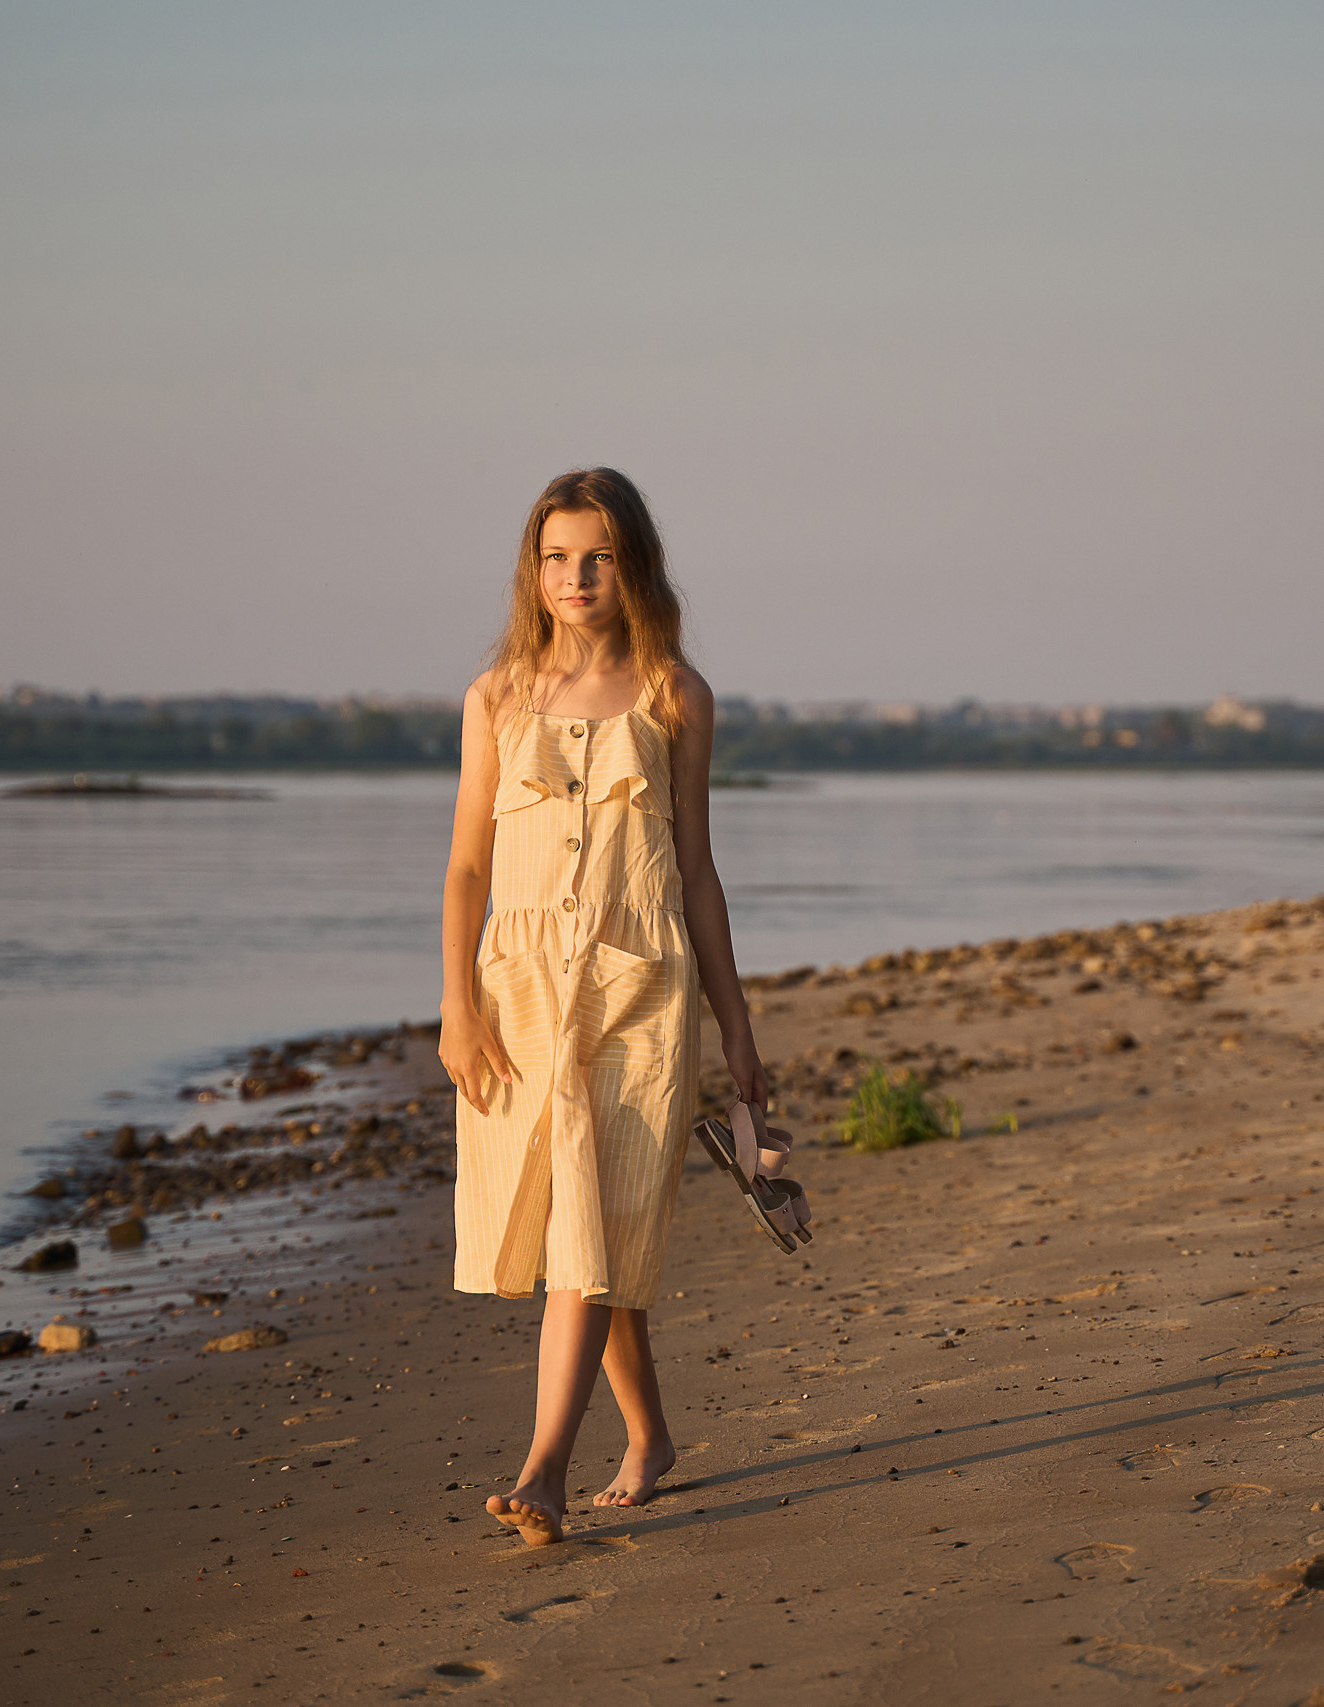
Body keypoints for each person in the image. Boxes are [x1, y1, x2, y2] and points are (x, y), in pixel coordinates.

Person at [439, 467, 769, 1546]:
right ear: (531, 572)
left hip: (639, 994)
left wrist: (737, 1027)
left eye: (598, 557)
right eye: (555, 557)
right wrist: (457, 1005)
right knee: (587, 1234)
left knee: (596, 1229)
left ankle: (540, 1470)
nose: (576, 577)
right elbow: (465, 871)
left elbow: (702, 874)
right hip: (522, 996)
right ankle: (651, 1436)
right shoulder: (495, 697)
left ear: (634, 567)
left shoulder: (676, 695)